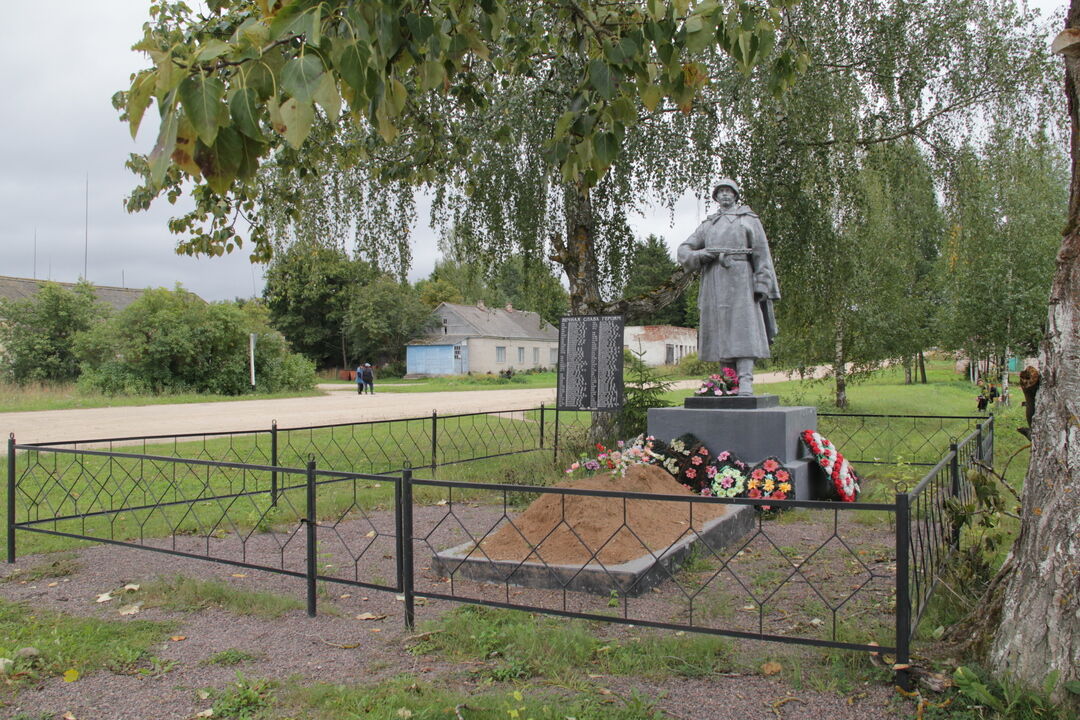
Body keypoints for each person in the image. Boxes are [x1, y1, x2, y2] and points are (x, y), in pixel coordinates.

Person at [677, 178, 780, 395]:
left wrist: (762, 283)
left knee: (743, 330)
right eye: (720, 192)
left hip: (742, 279)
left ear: (735, 195)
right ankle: (728, 382)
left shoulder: (748, 220)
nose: (724, 195)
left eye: (728, 191)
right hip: (714, 281)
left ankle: (746, 380)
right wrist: (702, 255)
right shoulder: (709, 224)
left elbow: (762, 254)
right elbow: (684, 250)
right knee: (720, 331)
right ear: (716, 197)